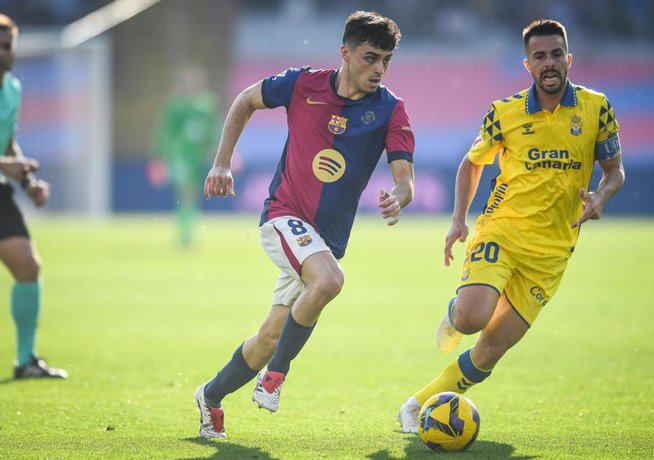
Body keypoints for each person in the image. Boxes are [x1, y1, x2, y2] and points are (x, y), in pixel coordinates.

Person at [194, 10, 415, 438]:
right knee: (330, 282)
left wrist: (398, 198)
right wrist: (221, 163)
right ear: (345, 53)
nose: (379, 69)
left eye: (386, 60)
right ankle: (275, 378)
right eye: (370, 57)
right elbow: (244, 101)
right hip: (284, 215)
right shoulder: (302, 83)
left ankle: (210, 396)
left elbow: (404, 179)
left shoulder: (390, 109)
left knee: (269, 337)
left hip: (324, 240)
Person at [398, 18, 625, 432]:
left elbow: (615, 171)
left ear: (569, 58)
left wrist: (600, 196)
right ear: (528, 65)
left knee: (491, 348)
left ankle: (417, 406)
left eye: (557, 54)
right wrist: (457, 219)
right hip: (501, 232)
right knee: (471, 319)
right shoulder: (504, 112)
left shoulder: (597, 108)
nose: (550, 63)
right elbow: (472, 162)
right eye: (540, 56)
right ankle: (454, 313)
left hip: (552, 253)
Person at [0, 14, 67, 380]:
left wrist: (28, 183)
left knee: (28, 267)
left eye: (8, 45)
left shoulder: (12, 88)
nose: (4, 52)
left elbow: (9, 142)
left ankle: (25, 360)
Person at [150, 65, 220, 247]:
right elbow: (166, 132)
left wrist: (221, 152)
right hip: (181, 155)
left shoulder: (208, 104)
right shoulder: (176, 105)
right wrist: (159, 157)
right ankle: (185, 235)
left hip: (199, 156)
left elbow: (213, 130)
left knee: (192, 194)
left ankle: (187, 231)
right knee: (186, 192)